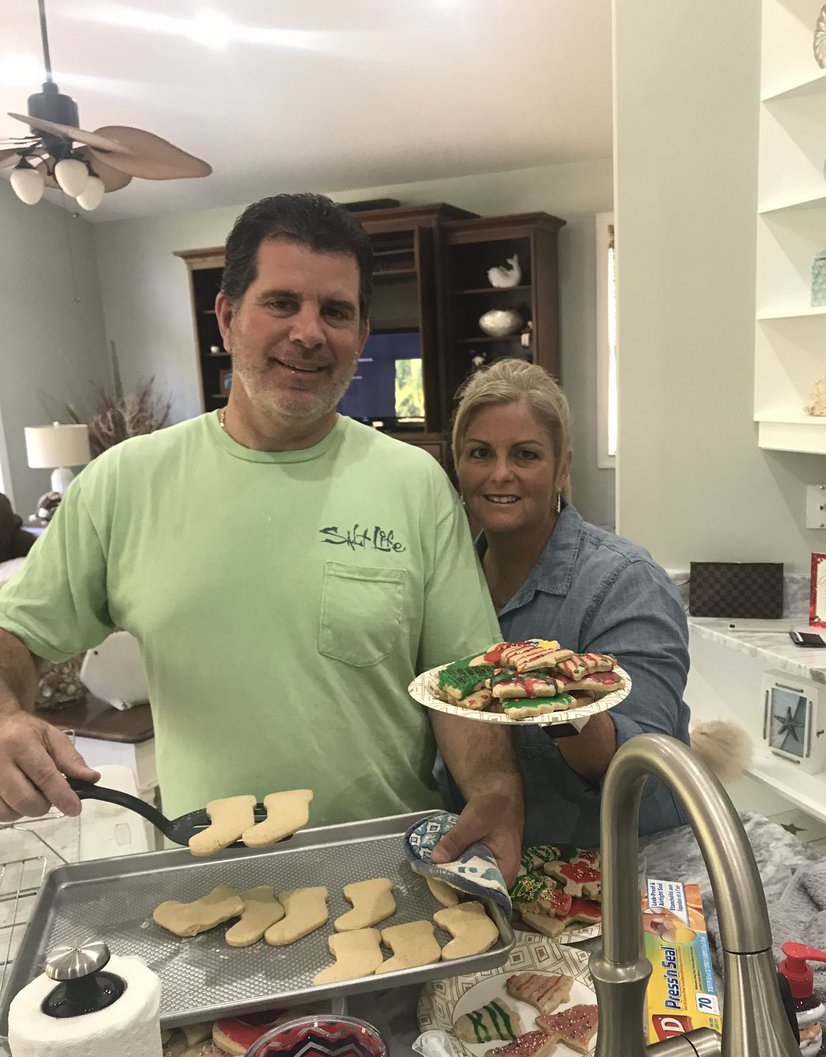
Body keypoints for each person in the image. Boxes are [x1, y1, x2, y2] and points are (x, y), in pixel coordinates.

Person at [0, 193, 523, 881]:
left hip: (392, 875)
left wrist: (495, 790)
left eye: (335, 311)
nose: (309, 332)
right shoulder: (124, 483)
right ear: (227, 317)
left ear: (362, 334)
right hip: (210, 885)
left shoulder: (415, 483)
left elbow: (464, 678)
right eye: (281, 303)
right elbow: (18, 636)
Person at [448, 357, 690, 847]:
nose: (500, 474)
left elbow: (643, 760)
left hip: (622, 857)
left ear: (561, 468)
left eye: (525, 455)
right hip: (492, 855)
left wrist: (557, 698)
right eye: (480, 453)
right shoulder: (448, 580)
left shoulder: (625, 582)